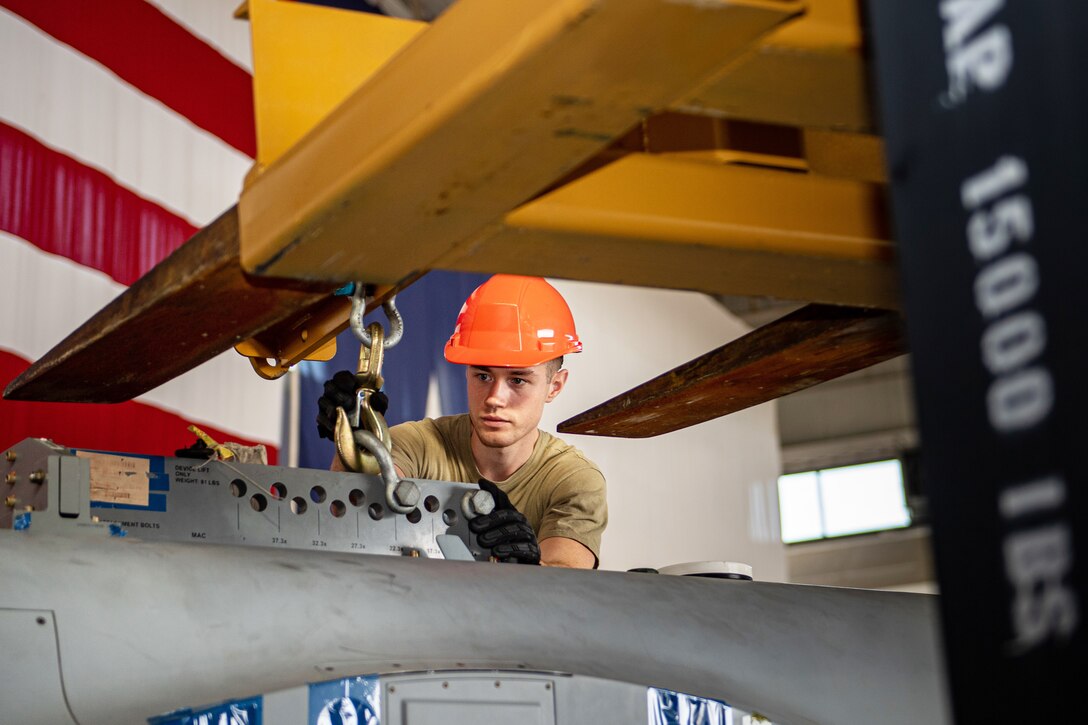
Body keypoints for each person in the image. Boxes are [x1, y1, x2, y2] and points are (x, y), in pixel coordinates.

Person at [317, 274, 607, 569]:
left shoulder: (572, 479)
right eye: (483, 376)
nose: (495, 397)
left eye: (518, 380)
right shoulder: (420, 443)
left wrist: (526, 566)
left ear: (554, 386)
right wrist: (350, 437)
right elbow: (353, 514)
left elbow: (568, 579)